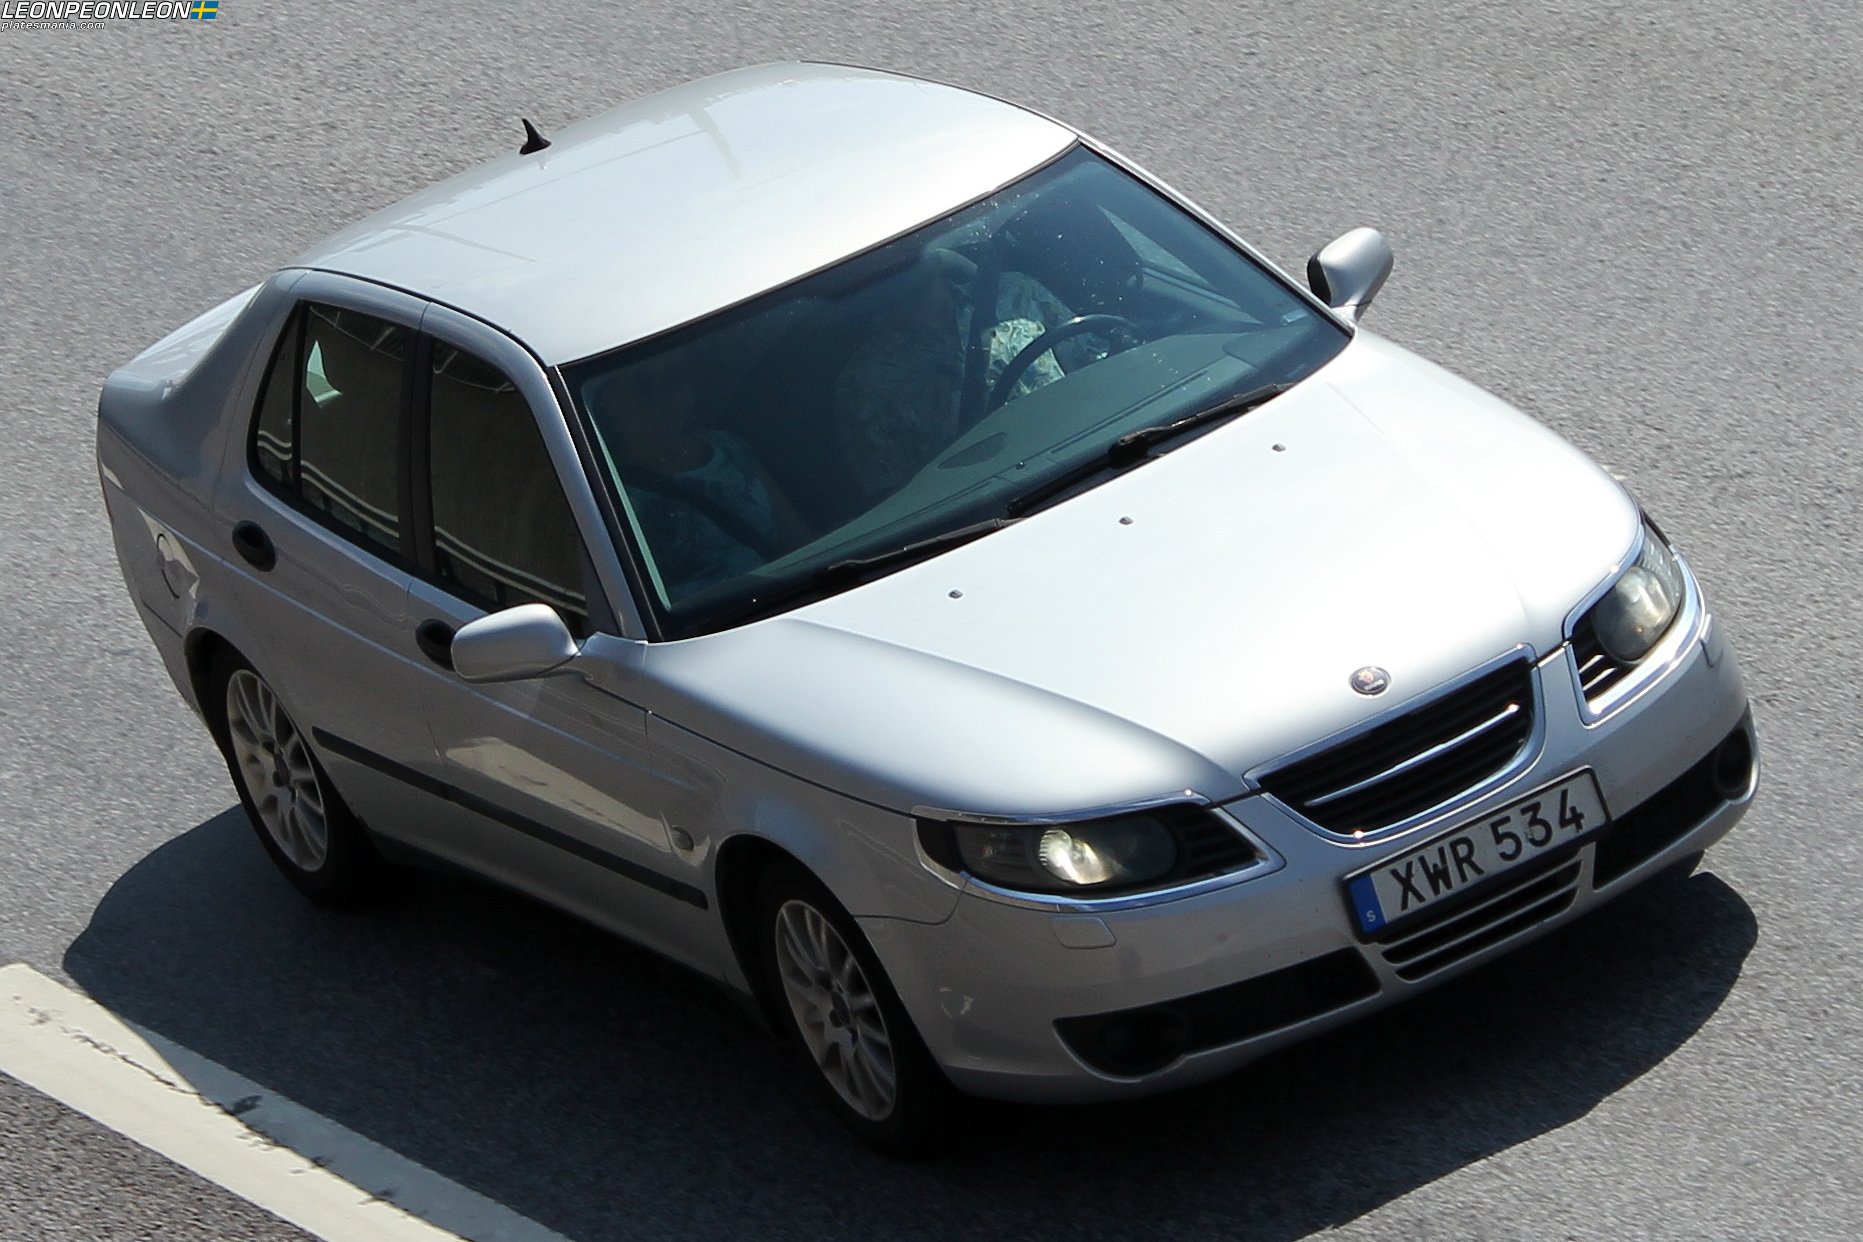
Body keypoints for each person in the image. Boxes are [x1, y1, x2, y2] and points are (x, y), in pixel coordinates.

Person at [833, 250, 1089, 504]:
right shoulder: (865, 380)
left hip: (1092, 458)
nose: (895, 259)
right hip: (994, 511)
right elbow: (897, 501)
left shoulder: (1016, 292)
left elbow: (1101, 360)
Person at [584, 353, 808, 602]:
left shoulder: (729, 448)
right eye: (642, 385)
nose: (660, 397)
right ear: (609, 400)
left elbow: (800, 545)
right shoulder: (605, 495)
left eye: (673, 380)